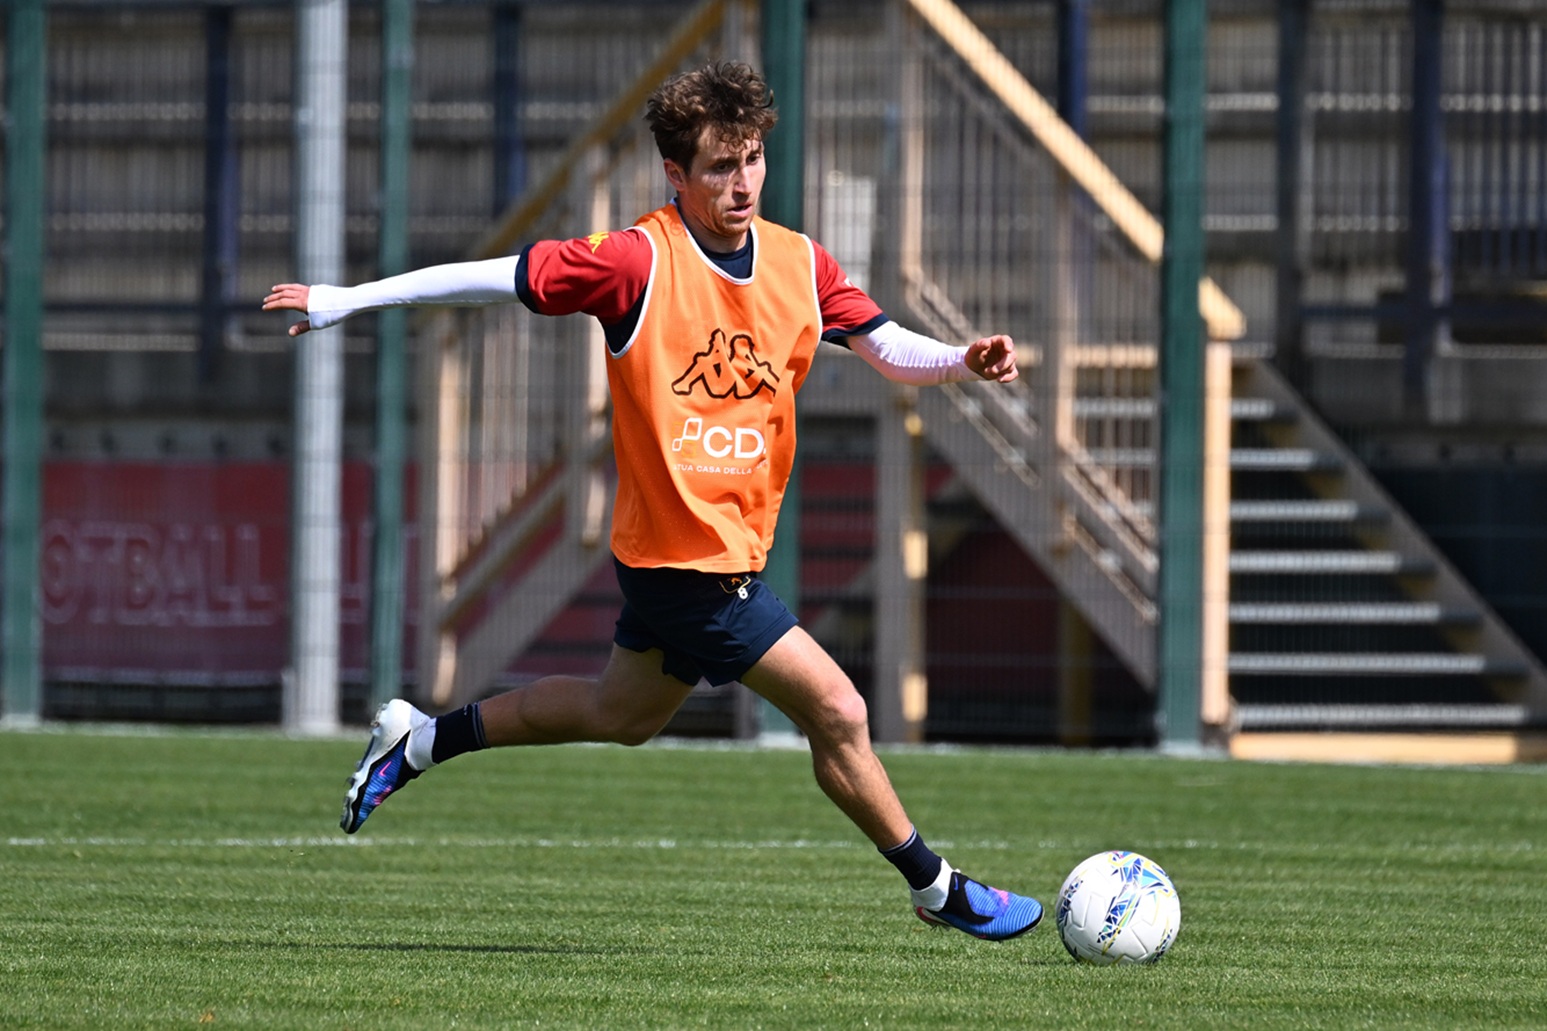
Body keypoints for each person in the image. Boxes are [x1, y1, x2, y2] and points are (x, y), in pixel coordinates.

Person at [263, 61, 1040, 942]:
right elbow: (494, 275)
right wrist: (345, 299)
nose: (740, 181)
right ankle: (937, 888)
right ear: (676, 175)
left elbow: (880, 341)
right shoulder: (638, 260)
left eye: (750, 159)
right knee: (841, 711)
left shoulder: (797, 261)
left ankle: (419, 741)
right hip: (688, 565)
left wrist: (959, 360)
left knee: (617, 714)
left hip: (713, 551)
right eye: (717, 165)